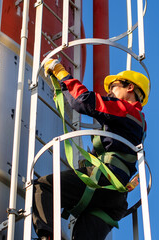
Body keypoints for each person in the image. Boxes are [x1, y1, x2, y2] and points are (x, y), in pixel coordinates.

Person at [32, 58, 150, 240]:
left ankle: (47, 237)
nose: (109, 92)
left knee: (44, 187)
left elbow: (83, 100)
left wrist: (61, 72)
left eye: (114, 87)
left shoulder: (125, 109)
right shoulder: (138, 122)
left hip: (104, 179)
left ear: (130, 88)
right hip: (115, 199)